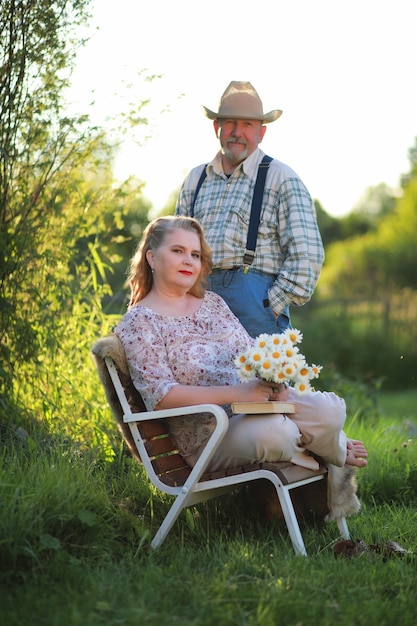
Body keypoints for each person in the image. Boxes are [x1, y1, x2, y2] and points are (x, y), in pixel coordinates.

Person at [114, 216, 367, 475]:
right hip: (212, 436)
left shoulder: (213, 303)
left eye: (196, 254)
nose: (189, 260)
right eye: (177, 251)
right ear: (152, 258)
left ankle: (325, 444)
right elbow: (161, 396)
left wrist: (275, 386)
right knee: (278, 434)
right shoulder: (139, 321)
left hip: (259, 410)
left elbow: (250, 356)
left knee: (330, 411)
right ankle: (330, 449)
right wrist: (238, 393)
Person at [175, 81, 325, 338]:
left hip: (256, 311)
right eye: (230, 122)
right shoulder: (195, 179)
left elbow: (307, 258)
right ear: (216, 127)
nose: (237, 132)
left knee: (259, 380)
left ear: (261, 133)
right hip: (196, 305)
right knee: (198, 379)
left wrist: (270, 305)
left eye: (247, 124)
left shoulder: (281, 178)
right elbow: (175, 247)